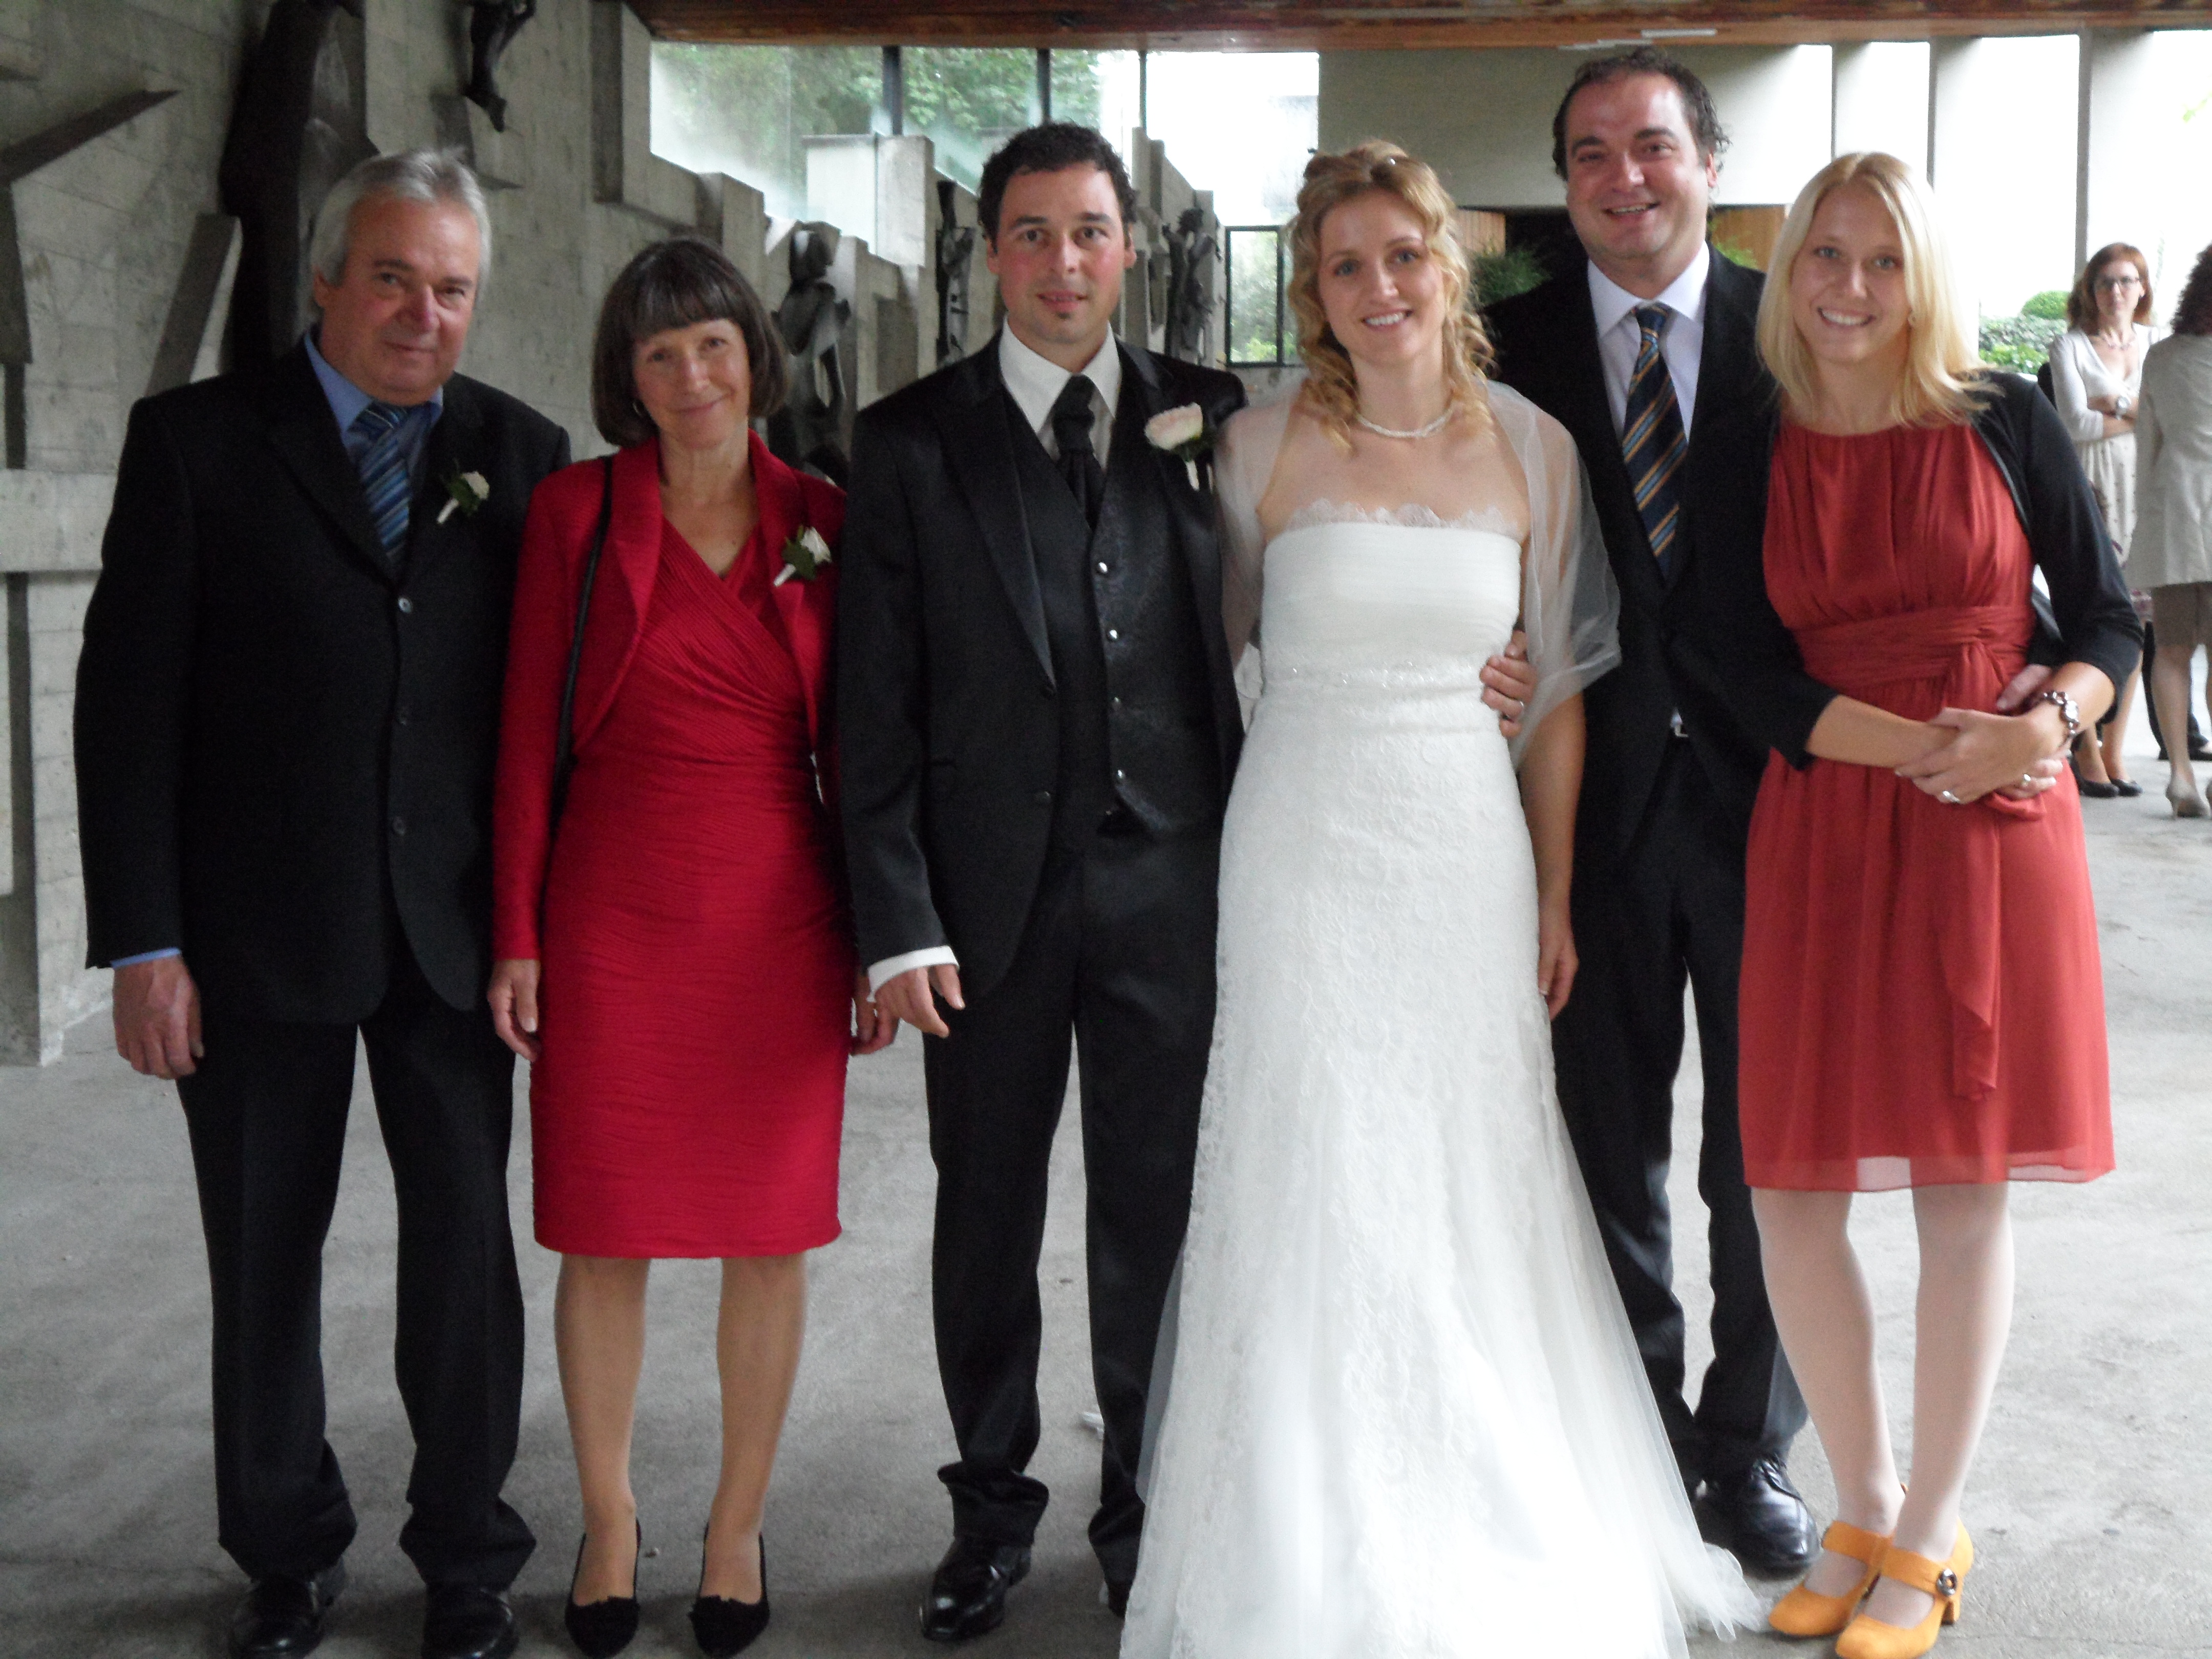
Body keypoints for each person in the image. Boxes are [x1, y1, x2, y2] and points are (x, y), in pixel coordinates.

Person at [1123, 140, 1752, 1659]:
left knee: (1471, 1163)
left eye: (1402, 254)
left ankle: (1487, 1498)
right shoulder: (1253, 450)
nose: (1379, 286)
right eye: (1345, 265)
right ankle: (1295, 1515)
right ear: (1315, 290)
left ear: (1445, 264)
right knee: (1313, 1160)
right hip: (1302, 852)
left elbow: (1561, 696)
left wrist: (1553, 891)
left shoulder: (1533, 446)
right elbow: (1209, 664)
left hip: (1465, 855)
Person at [74, 151, 570, 1659]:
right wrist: (145, 942)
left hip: (453, 935)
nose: (424, 313)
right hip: (251, 937)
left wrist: (540, 927)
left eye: (452, 288)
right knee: (264, 1253)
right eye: (395, 278)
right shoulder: (197, 444)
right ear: (327, 279)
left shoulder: (523, 453)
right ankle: (285, 1553)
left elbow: (547, 717)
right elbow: (126, 710)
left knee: (464, 1257)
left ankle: (469, 1556)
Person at [1714, 152, 2136, 1659]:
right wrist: (1918, 747)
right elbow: (1734, 662)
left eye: (1882, 260)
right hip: (1830, 814)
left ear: (1924, 275)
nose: (1849, 287)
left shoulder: (2005, 413)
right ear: (1791, 269)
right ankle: (1868, 1501)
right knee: (1789, 1190)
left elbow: (2108, 617)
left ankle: (1932, 1527)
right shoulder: (1751, 435)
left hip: (1992, 831)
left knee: (1965, 1187)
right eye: (1825, 255)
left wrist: (2046, 727)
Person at [488, 238, 886, 1659]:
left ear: (753, 355)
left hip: (782, 915)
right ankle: (607, 1519)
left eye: (713, 343)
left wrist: (880, 939)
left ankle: (734, 1526)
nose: (692, 374)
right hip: (610, 914)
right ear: (629, 378)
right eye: (659, 354)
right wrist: (518, 931)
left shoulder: (824, 517)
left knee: (767, 1238)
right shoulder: (573, 513)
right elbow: (522, 732)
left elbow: (869, 748)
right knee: (604, 1235)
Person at [1481, 47, 1819, 1572]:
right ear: (1563, 182)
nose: (1626, 178)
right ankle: (1641, 1434)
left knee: (1768, 1154)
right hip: (1581, 810)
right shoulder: (1504, 348)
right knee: (1601, 1144)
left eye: (1654, 146)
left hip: (1775, 807)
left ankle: (1750, 1446)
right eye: (1592, 154)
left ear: (1709, 164)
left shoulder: (1798, 326)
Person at [2048, 243, 2162, 796]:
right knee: (2091, 617)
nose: (2116, 291)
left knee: (2137, 624)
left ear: (2142, 288)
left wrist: (2111, 404)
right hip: (2093, 489)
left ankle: (2116, 752)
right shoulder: (2069, 346)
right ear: (2090, 292)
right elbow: (2074, 425)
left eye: (2126, 280)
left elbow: (2171, 418)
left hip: (2148, 489)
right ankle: (2087, 748)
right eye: (2104, 282)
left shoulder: (2158, 345)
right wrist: (2141, 414)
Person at [2129, 242, 2212, 819]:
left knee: (2172, 650)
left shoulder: (2163, 357)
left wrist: (2145, 520)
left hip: (2176, 520)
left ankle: (2181, 776)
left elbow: (2147, 450)